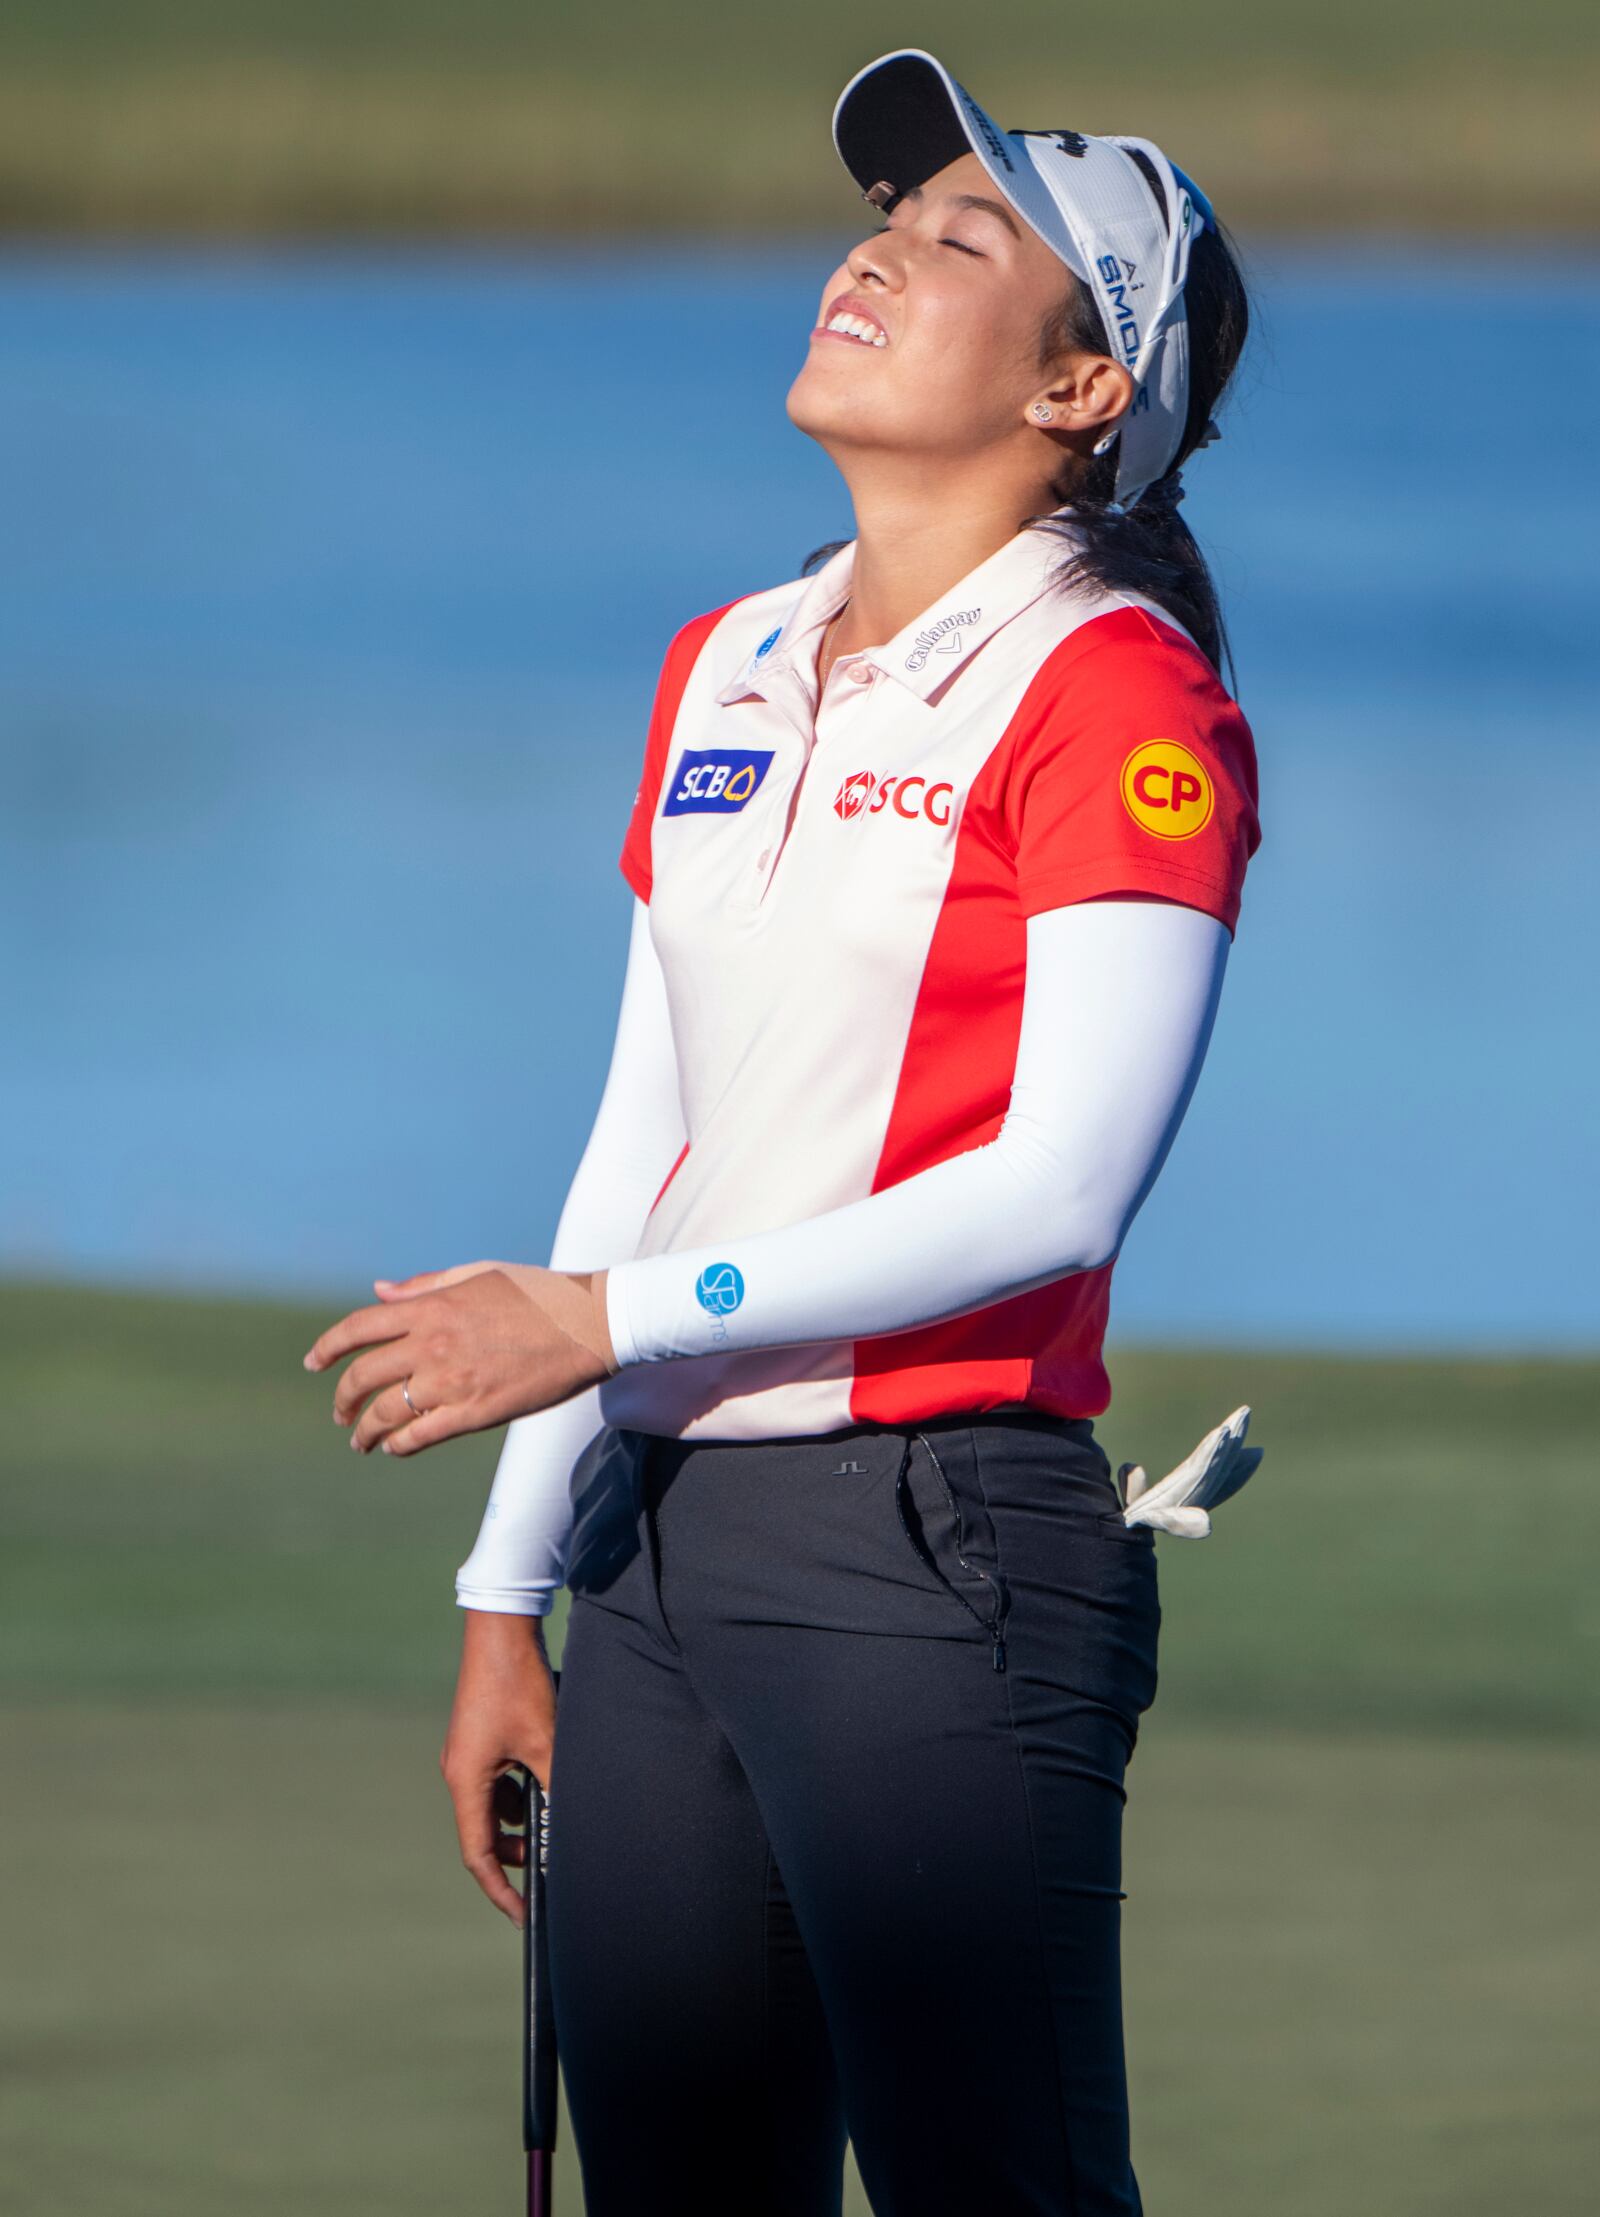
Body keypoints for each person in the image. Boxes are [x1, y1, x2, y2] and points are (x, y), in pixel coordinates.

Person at [304, 46, 1263, 2216]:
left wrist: (604, 1317)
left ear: (1079, 393)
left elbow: (1054, 1191)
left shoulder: (1119, 696)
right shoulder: (721, 661)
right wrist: (505, 1584)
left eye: (958, 238)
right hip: (657, 1566)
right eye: (882, 217)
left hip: (936, 1548)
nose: (877, 250)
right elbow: (646, 1125)